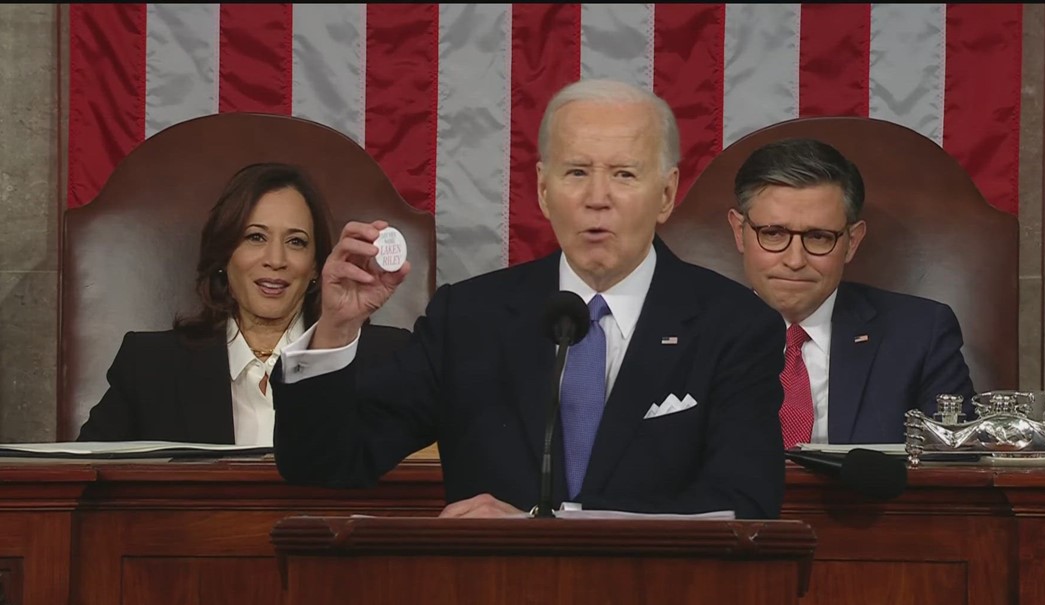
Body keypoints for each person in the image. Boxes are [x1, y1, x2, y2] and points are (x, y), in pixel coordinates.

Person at [272, 78, 787, 518]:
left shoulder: (735, 326)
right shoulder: (469, 318)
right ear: (543, 190)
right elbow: (327, 466)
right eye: (576, 172)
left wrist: (551, 531)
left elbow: (744, 503)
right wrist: (336, 328)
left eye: (624, 174)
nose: (597, 197)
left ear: (667, 193)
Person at [77, 163, 409, 444]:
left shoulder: (387, 359)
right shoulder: (149, 367)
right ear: (224, 255)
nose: (276, 260)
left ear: (315, 267)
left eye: (296, 242)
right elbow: (81, 487)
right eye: (255, 237)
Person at [726, 138, 975, 447]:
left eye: (819, 237)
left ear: (852, 241)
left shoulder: (921, 334)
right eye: (773, 234)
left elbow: (954, 473)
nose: (794, 260)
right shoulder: (686, 334)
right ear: (740, 232)